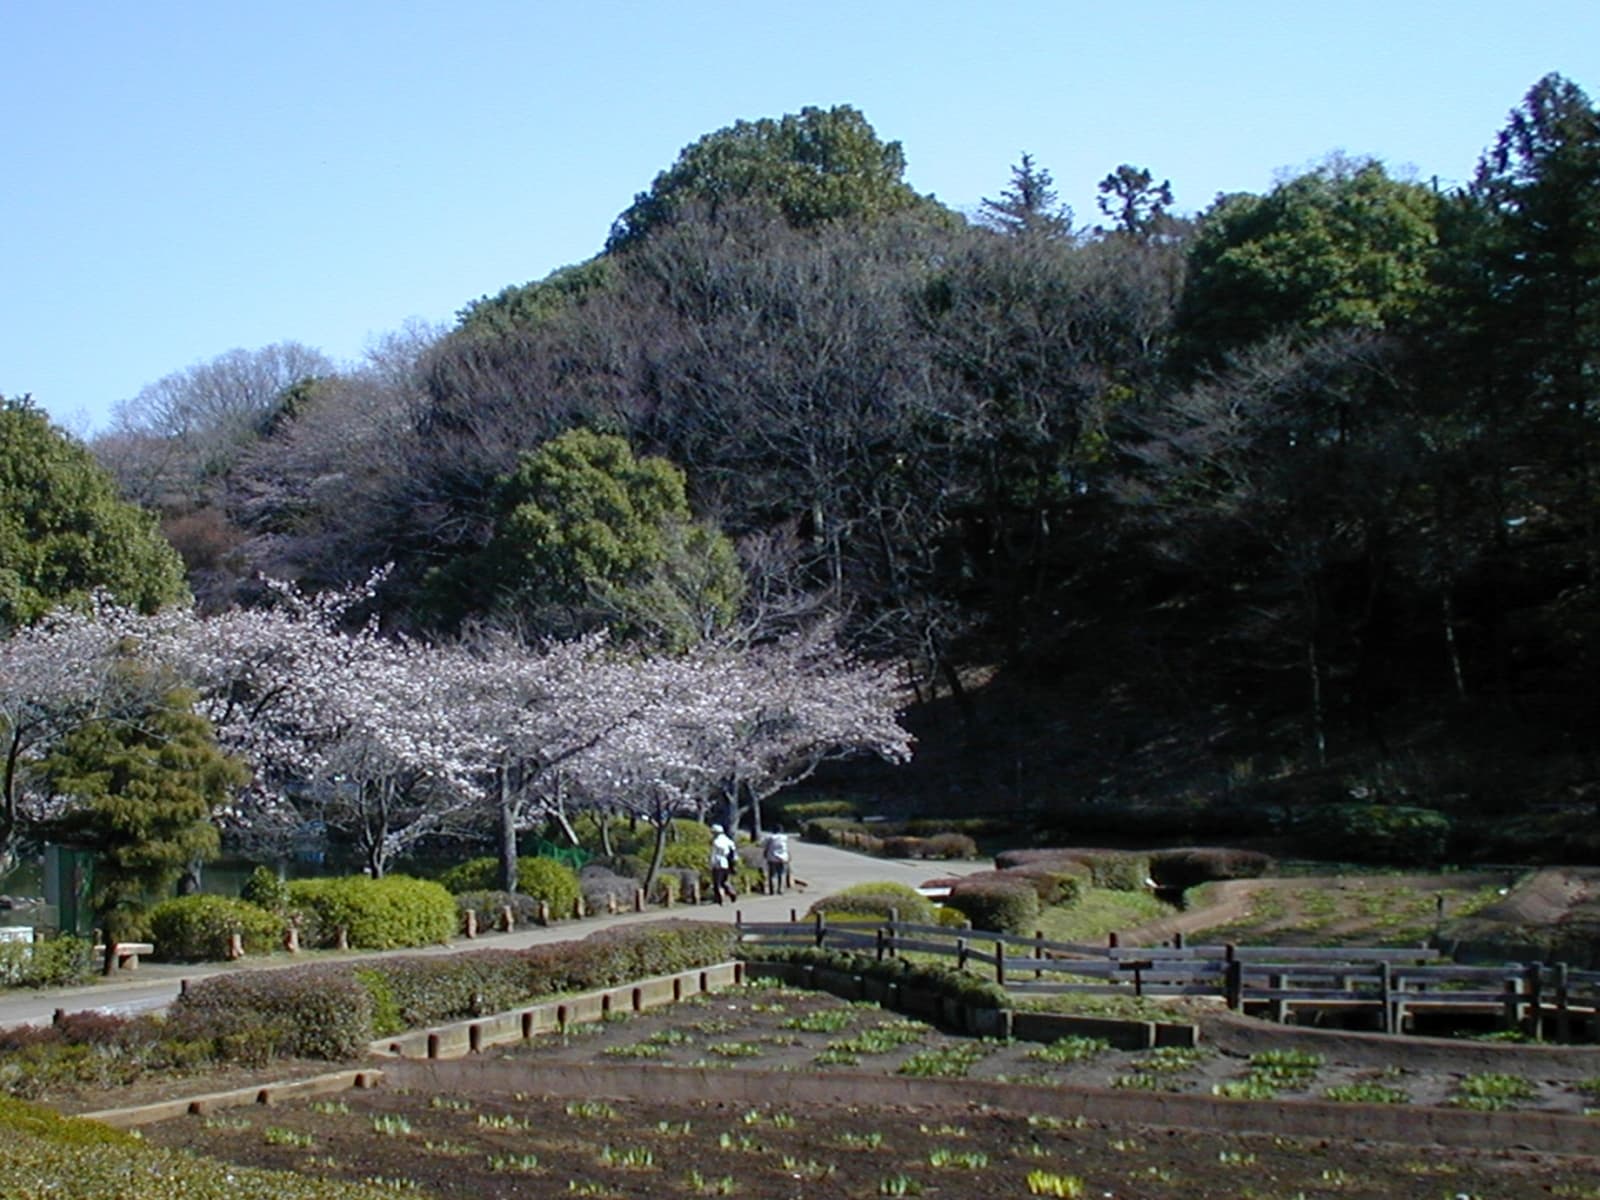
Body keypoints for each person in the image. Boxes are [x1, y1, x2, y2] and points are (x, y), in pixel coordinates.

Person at [708, 824, 738, 904]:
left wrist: (711, 864)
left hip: (718, 863)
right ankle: (732, 892)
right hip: (727, 863)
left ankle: (720, 898)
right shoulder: (728, 840)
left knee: (717, 882)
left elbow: (713, 854)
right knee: (725, 881)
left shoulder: (716, 842)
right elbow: (734, 852)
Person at [762, 824, 791, 895]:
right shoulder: (785, 837)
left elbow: (763, 845)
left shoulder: (770, 838)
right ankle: (780, 889)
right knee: (781, 874)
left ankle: (772, 890)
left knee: (772, 875)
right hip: (783, 858)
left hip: (772, 858)